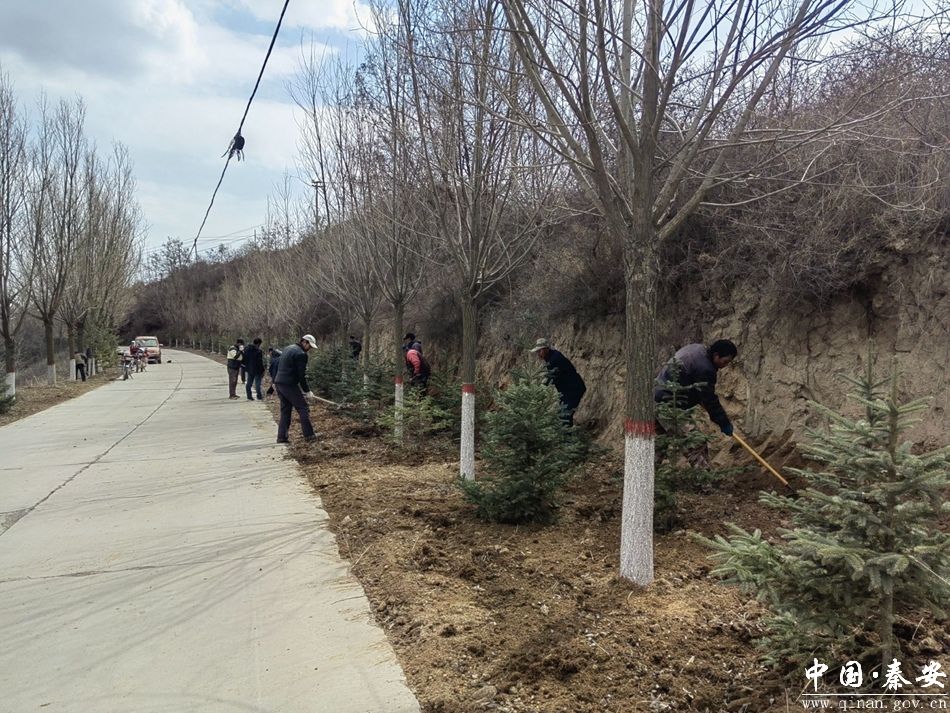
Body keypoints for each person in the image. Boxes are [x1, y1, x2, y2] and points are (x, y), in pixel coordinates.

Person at [654, 339, 737, 437]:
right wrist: (724, 423)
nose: (725, 366)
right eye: (725, 361)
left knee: (662, 437)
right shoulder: (705, 369)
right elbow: (710, 400)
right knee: (692, 441)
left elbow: (699, 390)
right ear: (716, 355)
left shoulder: (698, 348)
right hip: (667, 402)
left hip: (656, 393)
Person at [530, 338, 587, 426]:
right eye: (537, 352)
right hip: (566, 391)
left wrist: (540, 389)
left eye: (539, 351)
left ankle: (567, 434)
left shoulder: (555, 359)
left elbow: (552, 377)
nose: (538, 354)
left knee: (565, 415)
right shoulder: (551, 356)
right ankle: (567, 432)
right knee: (563, 414)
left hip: (573, 389)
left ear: (546, 349)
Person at [274, 334, 318, 444]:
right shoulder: (301, 354)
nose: (309, 349)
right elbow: (301, 375)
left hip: (279, 382)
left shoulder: (288, 348)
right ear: (304, 342)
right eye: (309, 346)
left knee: (285, 410)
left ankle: (282, 437)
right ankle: (309, 435)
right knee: (303, 408)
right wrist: (307, 391)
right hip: (289, 384)